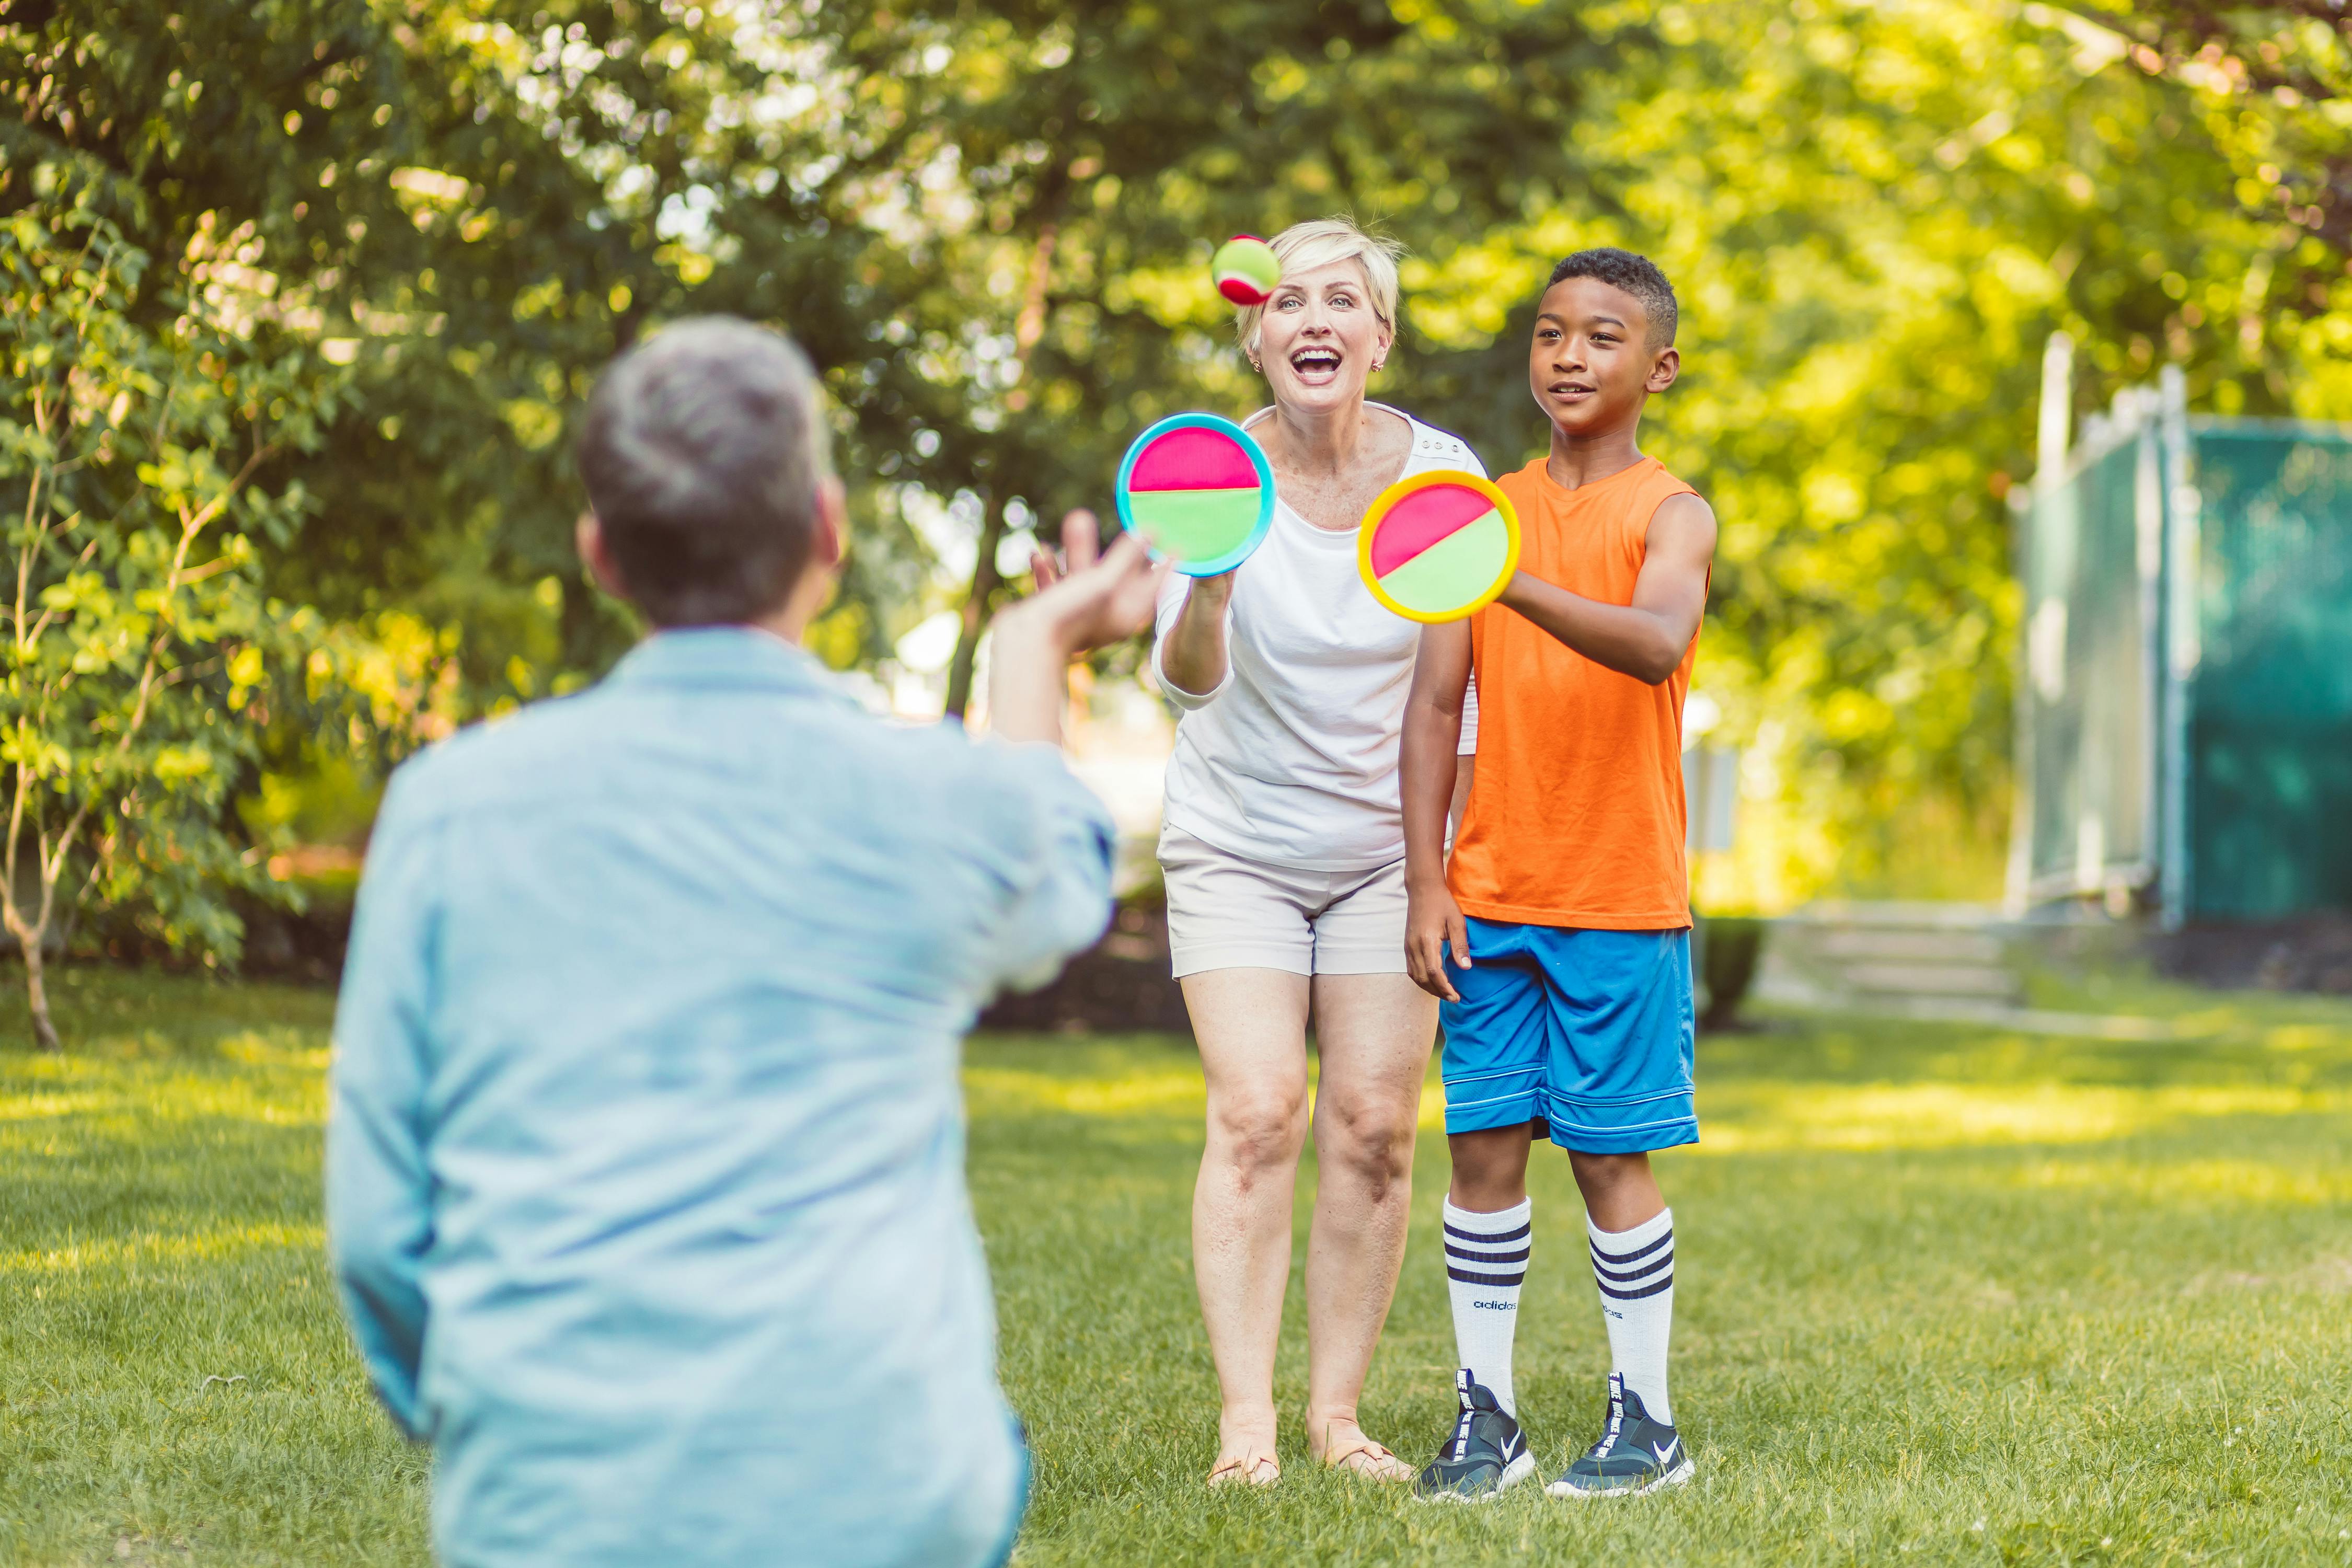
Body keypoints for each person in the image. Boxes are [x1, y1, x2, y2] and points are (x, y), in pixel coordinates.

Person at [326, 317, 1167, 1568]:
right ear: (828, 534)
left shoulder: (449, 806)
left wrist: (486, 1419)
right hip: (877, 1494)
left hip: (550, 1500)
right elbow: (1061, 869)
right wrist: (1034, 644)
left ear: (599, 554)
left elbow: (382, 1227)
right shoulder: (928, 802)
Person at [1142, 216, 1483, 1486]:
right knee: (1256, 1110)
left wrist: (1437, 864)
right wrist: (1216, 584)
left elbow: (1458, 689)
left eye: (1344, 301)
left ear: (1380, 338)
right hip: (1238, 839)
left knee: (1376, 1122)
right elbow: (1183, 683)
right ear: (1259, 338)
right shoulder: (1206, 470)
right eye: (1288, 304)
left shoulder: (1443, 482)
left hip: (1393, 845)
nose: (1316, 322)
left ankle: (1337, 1420)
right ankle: (1247, 1428)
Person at [1397, 248, 1718, 1502]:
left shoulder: (1671, 512)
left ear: (1659, 367)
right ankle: (1492, 1419)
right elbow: (1433, 712)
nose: (1569, 357)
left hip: (1620, 894)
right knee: (1480, 1152)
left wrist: (1505, 580)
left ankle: (1649, 1424)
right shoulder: (1476, 515)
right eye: (1549, 335)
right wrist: (1427, 881)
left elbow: (1652, 643)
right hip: (1490, 893)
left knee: (1605, 1157)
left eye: (1600, 336)